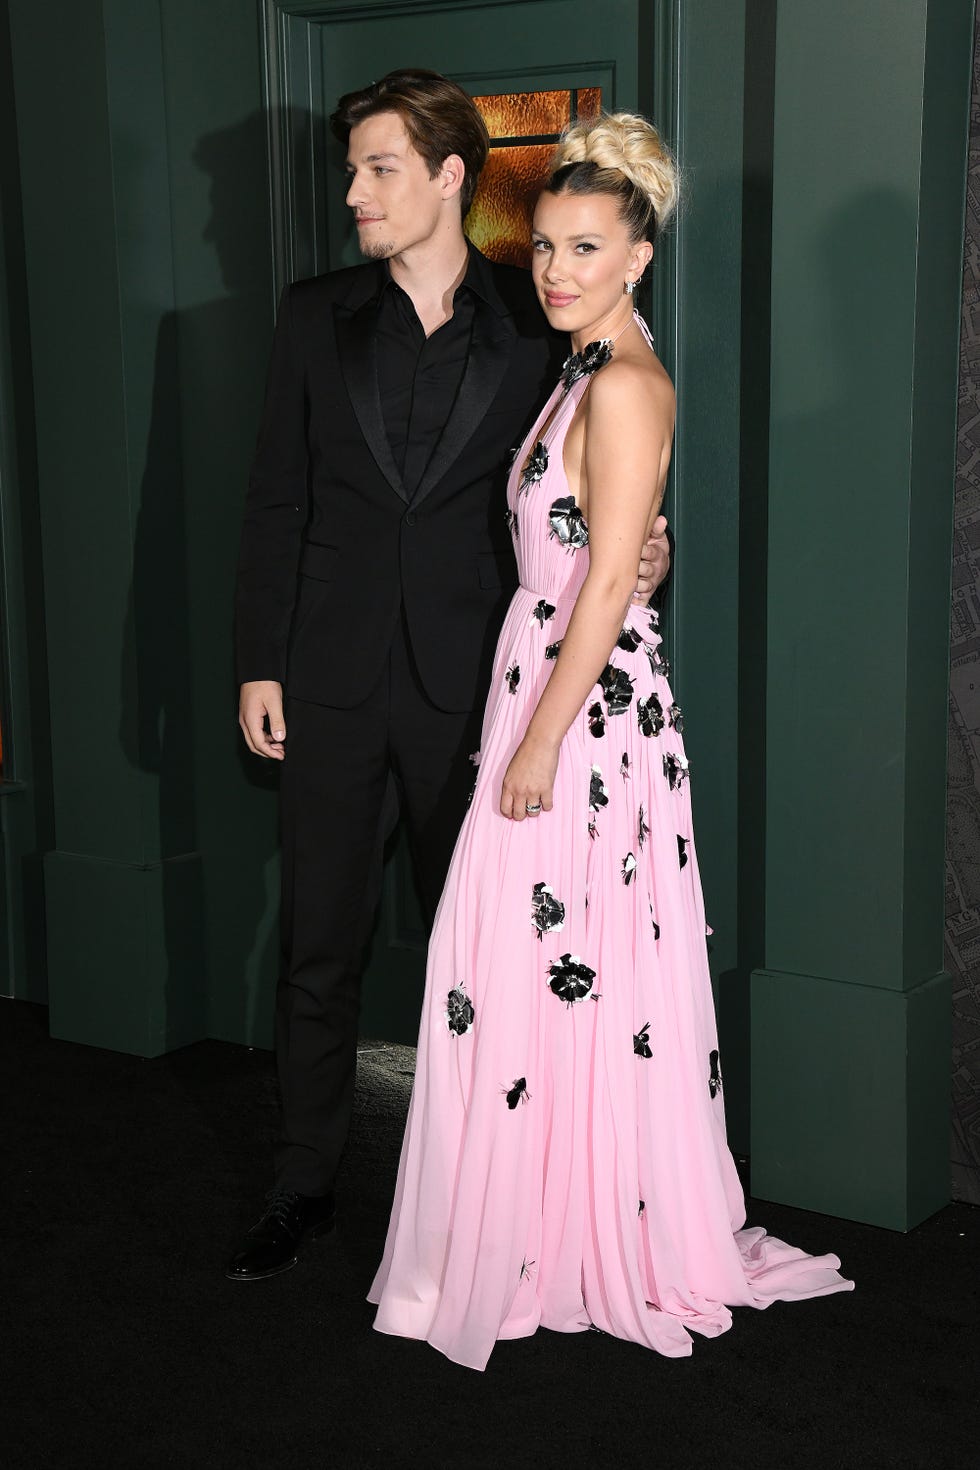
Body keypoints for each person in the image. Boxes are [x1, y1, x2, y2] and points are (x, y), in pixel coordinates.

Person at [369, 112, 853, 1369]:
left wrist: (536, 742)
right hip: (552, 684)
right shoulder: (583, 370)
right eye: (541, 247)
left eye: (584, 248)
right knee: (530, 969)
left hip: (575, 717)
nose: (554, 271)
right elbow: (604, 554)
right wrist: (638, 565)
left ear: (637, 256)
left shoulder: (628, 381)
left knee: (537, 962)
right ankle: (537, 1226)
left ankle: (567, 1236)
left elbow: (595, 591)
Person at [228, 71, 671, 1281]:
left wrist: (648, 555)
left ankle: (472, 1203)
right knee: (317, 949)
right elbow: (276, 499)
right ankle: (302, 1183)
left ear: (444, 179)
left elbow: (580, 497)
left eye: (379, 168)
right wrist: (258, 663)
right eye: (352, 169)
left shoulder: (541, 327)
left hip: (477, 699)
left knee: (473, 962)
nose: (357, 193)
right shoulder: (314, 314)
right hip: (322, 687)